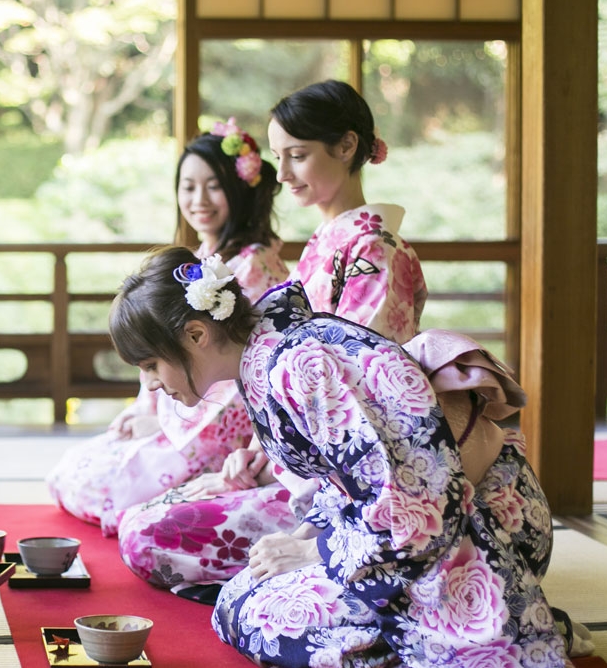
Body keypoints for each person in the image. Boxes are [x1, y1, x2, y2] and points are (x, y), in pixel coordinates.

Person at [108, 246, 585, 668]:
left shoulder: (301, 363)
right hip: (414, 522)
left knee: (258, 620)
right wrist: (304, 536)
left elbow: (416, 497)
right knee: (240, 598)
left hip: (478, 524)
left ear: (196, 334)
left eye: (151, 365)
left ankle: (495, 628)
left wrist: (313, 551)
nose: (151, 383)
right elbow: (352, 478)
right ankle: (459, 628)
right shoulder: (268, 357)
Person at [117, 79, 427, 594]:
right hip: (296, 455)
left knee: (148, 536)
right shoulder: (326, 245)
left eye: (297, 156)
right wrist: (262, 445)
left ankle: (312, 568)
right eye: (278, 157)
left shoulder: (375, 252)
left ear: (348, 146)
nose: (281, 174)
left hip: (344, 480)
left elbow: (361, 397)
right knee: (141, 518)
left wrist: (276, 457)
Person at [45, 118, 294, 537]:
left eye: (213, 186)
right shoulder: (201, 256)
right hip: (180, 405)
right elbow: (162, 347)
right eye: (188, 186)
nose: (199, 199)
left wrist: (164, 423)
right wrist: (145, 409)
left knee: (100, 491)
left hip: (214, 427)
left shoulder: (255, 266)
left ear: (240, 189)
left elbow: (231, 367)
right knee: (67, 472)